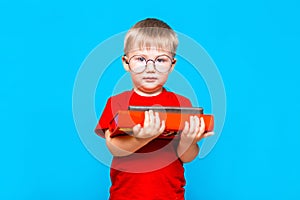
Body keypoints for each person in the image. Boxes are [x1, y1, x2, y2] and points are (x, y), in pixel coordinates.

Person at [95, 18, 213, 200]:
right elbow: (114, 148)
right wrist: (144, 138)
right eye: (141, 59)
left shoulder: (182, 104)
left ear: (172, 65)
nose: (150, 68)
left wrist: (189, 141)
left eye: (160, 60)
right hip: (124, 196)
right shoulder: (117, 102)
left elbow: (187, 157)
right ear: (126, 63)